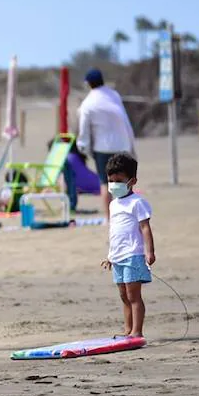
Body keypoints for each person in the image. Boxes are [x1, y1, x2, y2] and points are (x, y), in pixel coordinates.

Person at [101, 154, 154, 338]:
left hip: (133, 255)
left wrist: (149, 251)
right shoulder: (114, 204)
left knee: (133, 296)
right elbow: (115, 232)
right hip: (117, 257)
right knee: (123, 296)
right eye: (110, 180)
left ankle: (137, 331)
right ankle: (127, 328)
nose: (113, 184)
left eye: (118, 180)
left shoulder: (137, 202)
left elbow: (145, 227)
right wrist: (110, 256)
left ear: (132, 181)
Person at [76, 68, 136, 215]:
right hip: (122, 145)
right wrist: (131, 144)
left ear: (88, 84)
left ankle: (110, 221)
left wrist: (83, 147)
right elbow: (125, 121)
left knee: (106, 184)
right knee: (124, 183)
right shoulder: (114, 95)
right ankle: (127, 217)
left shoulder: (88, 103)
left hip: (102, 148)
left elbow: (84, 130)